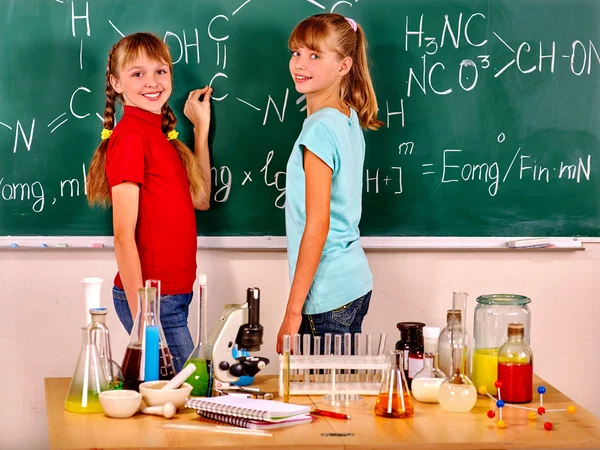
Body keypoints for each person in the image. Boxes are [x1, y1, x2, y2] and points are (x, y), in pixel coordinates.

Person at [87, 32, 212, 372]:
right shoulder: (130, 138)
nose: (152, 82)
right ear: (116, 82)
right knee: (189, 396)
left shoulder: (159, 135)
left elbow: (200, 199)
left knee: (181, 397)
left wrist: (200, 129)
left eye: (160, 71)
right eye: (137, 74)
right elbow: (123, 236)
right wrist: (145, 316)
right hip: (153, 302)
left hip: (174, 296)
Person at [276, 14, 382, 355]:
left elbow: (317, 224)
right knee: (342, 395)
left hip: (327, 292)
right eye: (296, 53)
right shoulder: (348, 119)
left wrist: (292, 313)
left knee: (322, 403)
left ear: (343, 65)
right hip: (352, 282)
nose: (300, 63)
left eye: (315, 55)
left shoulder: (320, 130)